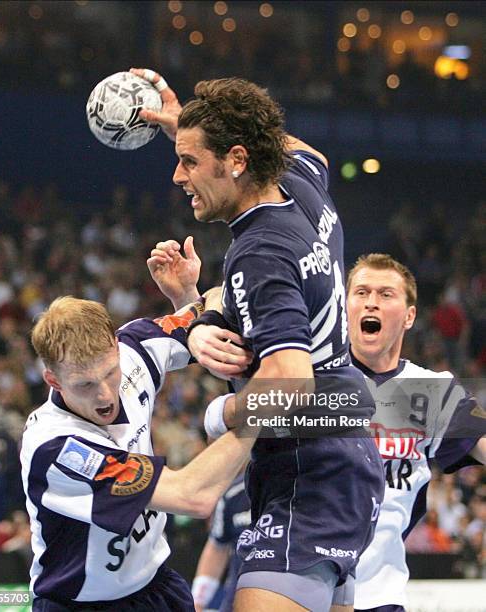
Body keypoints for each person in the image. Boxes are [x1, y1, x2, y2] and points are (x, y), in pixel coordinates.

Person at [133, 67, 385, 612]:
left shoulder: (259, 249)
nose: (177, 175)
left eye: (190, 160)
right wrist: (195, 311)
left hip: (308, 469)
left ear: (238, 160)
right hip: (341, 457)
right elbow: (295, 146)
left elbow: (290, 381)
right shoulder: (300, 185)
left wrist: (220, 415)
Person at [21, 239, 257, 611]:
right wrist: (265, 406)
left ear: (117, 348)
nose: (104, 396)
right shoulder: (55, 448)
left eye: (110, 373)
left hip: (158, 585)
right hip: (83, 605)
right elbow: (192, 496)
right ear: (53, 381)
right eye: (84, 385)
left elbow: (217, 298)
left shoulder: (135, 350)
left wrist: (187, 298)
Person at [344, 253, 486, 612]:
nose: (371, 301)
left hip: (379, 597)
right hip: (297, 590)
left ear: (409, 316)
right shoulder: (307, 375)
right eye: (361, 292)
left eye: (386, 294)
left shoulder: (434, 390)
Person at [191, 469, 251, 612]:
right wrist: (197, 603)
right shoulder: (233, 494)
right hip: (237, 601)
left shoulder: (309, 490)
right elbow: (217, 548)